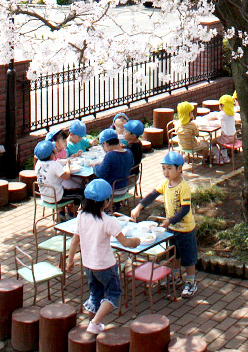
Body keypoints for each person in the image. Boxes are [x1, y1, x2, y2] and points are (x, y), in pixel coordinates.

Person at [65, 179, 141, 334]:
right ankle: (94, 322)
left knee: (95, 293)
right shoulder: (109, 221)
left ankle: (93, 323)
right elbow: (125, 242)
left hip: (88, 265)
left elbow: (75, 240)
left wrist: (70, 259)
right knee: (114, 294)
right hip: (105, 265)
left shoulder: (81, 216)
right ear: (105, 202)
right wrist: (136, 241)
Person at [131, 152, 199, 298]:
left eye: (169, 169)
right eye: (163, 168)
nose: (166, 172)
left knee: (189, 257)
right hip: (172, 229)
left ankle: (191, 282)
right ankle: (175, 277)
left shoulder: (183, 187)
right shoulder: (165, 184)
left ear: (179, 168)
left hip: (185, 229)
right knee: (174, 254)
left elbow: (185, 209)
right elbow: (152, 195)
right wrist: (139, 207)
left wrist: (169, 221)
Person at [34, 140, 82, 218]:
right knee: (80, 193)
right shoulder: (54, 165)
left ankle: (61, 214)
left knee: (63, 187)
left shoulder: (38, 164)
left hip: (44, 196)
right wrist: (67, 166)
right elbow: (67, 176)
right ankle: (72, 214)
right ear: (51, 154)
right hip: (56, 197)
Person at [93, 129, 134, 196]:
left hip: (112, 190)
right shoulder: (129, 152)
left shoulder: (110, 155)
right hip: (125, 187)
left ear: (105, 144)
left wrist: (95, 166)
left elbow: (101, 174)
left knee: (89, 183)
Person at [208, 95, 236, 164]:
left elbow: (212, 118)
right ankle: (225, 157)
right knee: (221, 141)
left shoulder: (222, 114)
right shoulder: (232, 114)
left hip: (226, 138)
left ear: (222, 105)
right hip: (234, 137)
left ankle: (219, 158)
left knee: (212, 142)